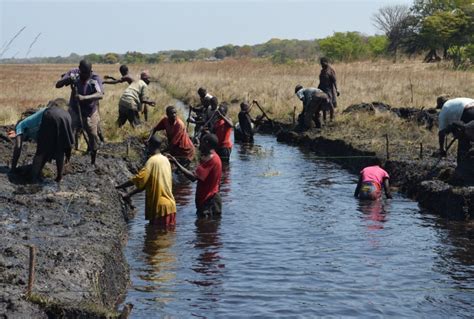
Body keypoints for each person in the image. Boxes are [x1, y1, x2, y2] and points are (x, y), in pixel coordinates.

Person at [116, 136, 176, 227]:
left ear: (150, 145)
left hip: (159, 208)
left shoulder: (151, 161)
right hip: (171, 206)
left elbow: (138, 179)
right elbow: (147, 183)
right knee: (167, 237)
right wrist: (129, 194)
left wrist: (119, 187)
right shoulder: (166, 160)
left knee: (157, 238)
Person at [9, 98, 74, 182]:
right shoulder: (34, 123)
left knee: (40, 152)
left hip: (50, 115)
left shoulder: (20, 126)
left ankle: (33, 178)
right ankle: (59, 177)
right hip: (66, 116)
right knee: (60, 149)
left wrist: (13, 169)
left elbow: (18, 147)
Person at [167, 133, 222, 218]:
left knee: (205, 229)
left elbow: (193, 177)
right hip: (211, 200)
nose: (200, 144)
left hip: (208, 202)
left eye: (202, 142)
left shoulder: (210, 160)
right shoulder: (216, 157)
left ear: (206, 143)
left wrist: (176, 163)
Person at [55, 60, 105, 148]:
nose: (85, 75)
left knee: (93, 135)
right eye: (83, 72)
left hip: (90, 111)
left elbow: (100, 94)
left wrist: (84, 97)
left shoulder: (95, 78)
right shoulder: (73, 73)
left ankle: (93, 154)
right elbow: (58, 85)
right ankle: (68, 153)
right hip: (74, 110)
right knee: (69, 132)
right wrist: (68, 79)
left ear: (91, 70)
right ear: (79, 69)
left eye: (87, 73)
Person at [436, 96, 474, 163]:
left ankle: (463, 166)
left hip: (468, 112)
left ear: (440, 105)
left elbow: (441, 133)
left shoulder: (444, 109)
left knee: (464, 140)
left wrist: (442, 149)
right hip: (470, 107)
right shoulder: (455, 101)